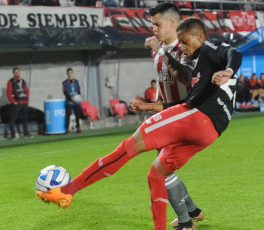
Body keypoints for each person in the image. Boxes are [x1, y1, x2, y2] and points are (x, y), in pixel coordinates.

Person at [36, 17, 242, 230]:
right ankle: (183, 223)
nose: (181, 46)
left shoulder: (210, 46)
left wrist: (229, 71)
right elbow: (189, 101)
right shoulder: (202, 68)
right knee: (157, 173)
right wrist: (150, 107)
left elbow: (234, 53)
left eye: (183, 41)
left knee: (127, 148)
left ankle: (68, 189)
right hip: (210, 131)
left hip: (197, 117)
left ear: (199, 36)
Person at [143, 3, 202, 228]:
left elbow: (186, 79)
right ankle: (193, 212)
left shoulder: (185, 49)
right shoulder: (158, 52)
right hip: (169, 114)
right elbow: (163, 91)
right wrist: (149, 107)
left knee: (161, 171)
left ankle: (186, 224)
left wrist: (160, 49)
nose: (154, 29)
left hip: (185, 116)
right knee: (164, 170)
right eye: (152, 25)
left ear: (172, 23)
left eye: (157, 24)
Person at [6, 67, 32, 139]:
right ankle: (13, 135)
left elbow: (26, 90)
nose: (17, 73)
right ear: (13, 73)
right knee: (13, 119)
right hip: (16, 103)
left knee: (25, 119)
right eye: (15, 72)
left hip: (24, 102)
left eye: (18, 72)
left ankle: (26, 133)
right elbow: (8, 93)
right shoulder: (11, 81)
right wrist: (13, 101)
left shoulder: (23, 81)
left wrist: (26, 100)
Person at [63, 67, 81, 134]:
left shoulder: (76, 81)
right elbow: (64, 92)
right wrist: (71, 98)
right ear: (67, 74)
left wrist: (78, 97)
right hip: (69, 102)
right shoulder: (64, 83)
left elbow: (79, 90)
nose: (70, 74)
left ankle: (78, 128)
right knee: (67, 116)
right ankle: (66, 129)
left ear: (72, 73)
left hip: (76, 102)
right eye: (69, 73)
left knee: (77, 115)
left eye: (71, 72)